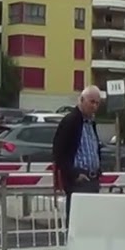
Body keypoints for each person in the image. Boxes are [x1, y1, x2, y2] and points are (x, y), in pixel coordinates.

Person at [51, 86, 104, 223]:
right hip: (78, 180)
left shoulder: (90, 123)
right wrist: (74, 174)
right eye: (91, 102)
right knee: (77, 221)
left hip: (92, 179)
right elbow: (59, 152)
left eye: (97, 103)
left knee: (90, 222)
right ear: (81, 100)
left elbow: (93, 148)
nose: (94, 106)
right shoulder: (70, 121)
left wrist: (98, 171)